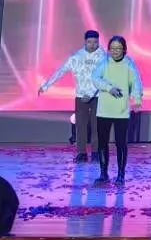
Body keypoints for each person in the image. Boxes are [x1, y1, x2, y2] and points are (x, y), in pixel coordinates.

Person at [38, 30, 106, 162]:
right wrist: (46, 86)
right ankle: (81, 152)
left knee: (97, 125)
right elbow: (61, 71)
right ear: (85, 42)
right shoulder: (76, 57)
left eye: (95, 42)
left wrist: (91, 94)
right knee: (80, 125)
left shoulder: (103, 57)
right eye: (90, 42)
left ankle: (96, 152)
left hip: (98, 96)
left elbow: (104, 78)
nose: (92, 45)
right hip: (81, 96)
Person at [91, 36, 143, 186]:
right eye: (112, 48)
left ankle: (121, 174)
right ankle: (103, 174)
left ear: (124, 49)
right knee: (102, 143)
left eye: (118, 48)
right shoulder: (104, 62)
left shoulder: (129, 64)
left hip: (121, 111)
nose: (115, 51)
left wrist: (137, 100)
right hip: (104, 110)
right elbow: (95, 78)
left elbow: (136, 82)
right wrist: (109, 88)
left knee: (121, 143)